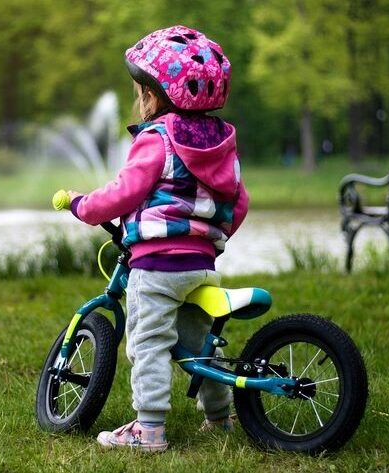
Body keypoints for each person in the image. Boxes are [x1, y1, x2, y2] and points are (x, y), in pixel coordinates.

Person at [65, 25, 249, 452]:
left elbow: (125, 191)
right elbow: (239, 202)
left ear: (152, 94)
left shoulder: (158, 139)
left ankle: (149, 431)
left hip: (156, 266)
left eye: (142, 92)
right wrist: (209, 238)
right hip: (201, 266)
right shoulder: (222, 143)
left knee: (148, 344)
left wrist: (84, 206)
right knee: (199, 346)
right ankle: (219, 418)